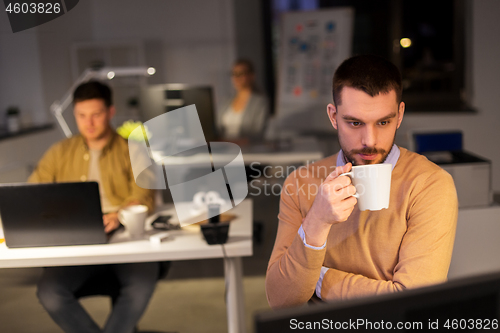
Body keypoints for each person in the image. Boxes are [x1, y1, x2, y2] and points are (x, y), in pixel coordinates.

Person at [266, 55, 458, 308]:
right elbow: (281, 299)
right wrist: (317, 221)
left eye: (383, 122)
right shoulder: (300, 182)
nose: (370, 140)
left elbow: (413, 302)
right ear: (333, 116)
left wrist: (318, 279)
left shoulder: (430, 184)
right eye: (354, 123)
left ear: (400, 114)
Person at [29, 81, 159, 333]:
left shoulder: (133, 149)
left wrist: (118, 215)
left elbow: (143, 196)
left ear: (111, 112)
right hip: (76, 238)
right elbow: (34, 194)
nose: (88, 123)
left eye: (96, 114)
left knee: (141, 285)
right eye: (81, 116)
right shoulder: (59, 152)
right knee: (50, 292)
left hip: (123, 235)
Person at [218, 58, 269, 141]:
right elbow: (217, 128)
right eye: (234, 74)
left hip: (247, 151)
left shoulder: (259, 102)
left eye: (241, 73)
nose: (236, 78)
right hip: (225, 149)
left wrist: (232, 141)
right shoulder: (226, 101)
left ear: (251, 76)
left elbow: (258, 133)